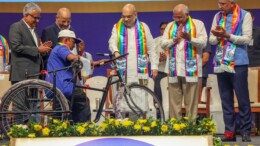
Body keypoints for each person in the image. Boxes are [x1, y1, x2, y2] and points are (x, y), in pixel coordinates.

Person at [209, 0, 252, 142]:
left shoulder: (244, 15)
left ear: (233, 3)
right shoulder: (218, 16)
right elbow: (211, 40)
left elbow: (246, 39)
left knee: (242, 98)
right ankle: (229, 133)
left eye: (223, 4)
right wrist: (217, 36)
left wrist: (228, 36)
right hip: (221, 62)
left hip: (238, 63)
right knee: (226, 99)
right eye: (218, 3)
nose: (220, 6)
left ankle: (245, 131)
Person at [47, 30, 106, 123]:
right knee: (83, 98)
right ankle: (84, 127)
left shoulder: (56, 49)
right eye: (73, 42)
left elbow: (80, 62)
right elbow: (71, 57)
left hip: (59, 86)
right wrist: (78, 57)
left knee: (74, 102)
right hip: (64, 87)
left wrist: (98, 63)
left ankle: (75, 125)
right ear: (66, 40)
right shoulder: (61, 48)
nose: (75, 46)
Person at [161, 4, 207, 120]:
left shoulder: (198, 24)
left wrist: (190, 38)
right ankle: (176, 128)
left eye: (180, 17)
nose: (177, 20)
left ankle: (190, 128)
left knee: (191, 102)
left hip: (192, 69)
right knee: (174, 102)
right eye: (175, 17)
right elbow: (163, 44)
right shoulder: (170, 26)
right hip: (173, 69)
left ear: (187, 15)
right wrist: (174, 40)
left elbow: (203, 43)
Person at [108, 3, 158, 84]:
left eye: (129, 16)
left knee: (141, 94)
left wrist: (154, 66)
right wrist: (115, 51)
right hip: (123, 70)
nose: (126, 19)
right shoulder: (117, 27)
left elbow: (152, 48)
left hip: (139, 71)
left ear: (135, 14)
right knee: (122, 95)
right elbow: (112, 42)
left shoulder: (144, 27)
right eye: (124, 16)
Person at [9, 2, 52, 84]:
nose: (37, 21)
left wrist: (43, 48)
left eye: (38, 18)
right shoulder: (16, 27)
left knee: (34, 97)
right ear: (26, 15)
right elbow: (16, 47)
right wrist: (38, 49)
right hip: (21, 75)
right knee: (21, 97)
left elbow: (35, 50)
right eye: (35, 18)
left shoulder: (34, 30)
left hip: (35, 75)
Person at [154, 21, 168, 105]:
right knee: (159, 93)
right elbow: (149, 58)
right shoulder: (155, 41)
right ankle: (160, 113)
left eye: (165, 29)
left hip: (171, 72)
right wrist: (158, 59)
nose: (163, 31)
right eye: (162, 29)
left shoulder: (175, 40)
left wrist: (168, 58)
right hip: (159, 72)